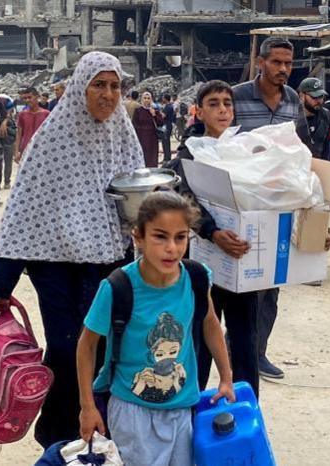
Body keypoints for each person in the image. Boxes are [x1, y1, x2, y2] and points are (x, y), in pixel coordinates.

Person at [0, 51, 144, 448]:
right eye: (99, 85)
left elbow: (140, 197)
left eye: (115, 86)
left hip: (108, 258)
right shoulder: (52, 139)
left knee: (106, 346)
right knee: (65, 345)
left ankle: (97, 427)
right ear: (79, 89)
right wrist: (0, 282)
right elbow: (23, 207)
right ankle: (57, 433)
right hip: (54, 259)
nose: (108, 95)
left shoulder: (123, 135)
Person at [76, 191, 235, 465]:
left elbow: (210, 324)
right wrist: (87, 407)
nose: (172, 248)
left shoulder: (196, 278)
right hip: (131, 412)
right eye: (160, 236)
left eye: (180, 237)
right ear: (138, 237)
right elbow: (86, 346)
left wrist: (226, 376)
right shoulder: (117, 288)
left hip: (183, 409)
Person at [165, 81, 264, 395]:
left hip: (242, 259)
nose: (223, 110)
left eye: (227, 103)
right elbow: (184, 196)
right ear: (199, 110)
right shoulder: (190, 152)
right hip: (204, 261)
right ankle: (193, 408)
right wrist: (212, 232)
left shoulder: (245, 149)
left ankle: (246, 409)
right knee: (201, 338)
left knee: (246, 339)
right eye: (214, 103)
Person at [231, 38, 308, 380]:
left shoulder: (293, 100)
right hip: (241, 202)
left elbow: (303, 146)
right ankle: (233, 353)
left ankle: (257, 352)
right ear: (260, 62)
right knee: (237, 285)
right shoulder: (235, 97)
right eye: (276, 62)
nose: (283, 70)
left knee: (271, 283)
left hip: (279, 202)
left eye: (288, 64)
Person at [297, 77, 330, 160]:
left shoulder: (326, 115)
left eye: (321, 96)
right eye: (314, 97)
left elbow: (327, 146)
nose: (319, 101)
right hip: (296, 165)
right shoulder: (292, 116)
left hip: (318, 165)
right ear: (302, 96)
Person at [15, 86, 50, 164]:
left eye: (30, 97)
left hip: (41, 150)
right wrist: (17, 151)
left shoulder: (46, 114)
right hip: (25, 149)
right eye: (25, 98)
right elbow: (19, 134)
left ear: (37, 97)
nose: (27, 100)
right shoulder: (22, 114)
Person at [132, 91, 165, 168]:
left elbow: (161, 123)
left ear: (151, 99)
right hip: (141, 138)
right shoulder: (138, 111)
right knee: (143, 158)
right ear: (142, 99)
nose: (146, 100)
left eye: (148, 98)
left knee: (152, 158)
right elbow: (134, 125)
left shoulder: (155, 111)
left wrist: (154, 115)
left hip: (152, 139)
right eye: (145, 98)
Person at [160, 94, 176, 163]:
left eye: (163, 98)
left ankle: (166, 158)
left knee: (165, 141)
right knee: (166, 141)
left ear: (166, 99)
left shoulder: (168, 107)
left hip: (167, 125)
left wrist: (158, 113)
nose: (162, 99)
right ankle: (167, 157)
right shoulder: (169, 106)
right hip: (168, 125)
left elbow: (163, 116)